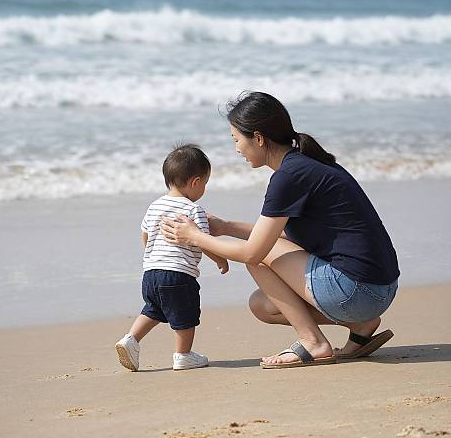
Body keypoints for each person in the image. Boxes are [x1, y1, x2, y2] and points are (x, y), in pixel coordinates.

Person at [160, 92, 400, 369]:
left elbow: (254, 252)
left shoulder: (288, 176)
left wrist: (195, 236)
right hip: (377, 289)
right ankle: (360, 324)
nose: (237, 149)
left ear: (259, 138)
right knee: (263, 305)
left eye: (237, 140)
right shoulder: (307, 163)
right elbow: (287, 237)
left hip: (357, 290)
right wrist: (225, 227)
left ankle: (313, 342)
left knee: (256, 256)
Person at [115, 143, 228, 372]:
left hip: (151, 273)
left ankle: (131, 339)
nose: (204, 189)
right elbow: (202, 240)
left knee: (153, 309)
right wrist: (219, 259)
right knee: (186, 315)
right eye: (204, 183)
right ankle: (183, 355)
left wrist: (152, 256)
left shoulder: (155, 206)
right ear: (195, 182)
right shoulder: (194, 210)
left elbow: (145, 234)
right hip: (178, 274)